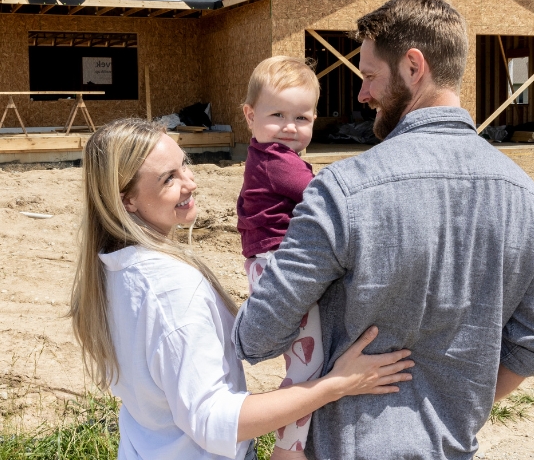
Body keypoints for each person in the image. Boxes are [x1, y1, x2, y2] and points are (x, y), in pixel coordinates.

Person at [234, 0, 534, 460]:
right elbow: (532, 348)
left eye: (368, 76)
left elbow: (257, 338)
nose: (362, 94)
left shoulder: (342, 191)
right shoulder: (529, 199)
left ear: (413, 66)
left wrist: (327, 385)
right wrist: (448, 411)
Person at [69, 118, 414, 460]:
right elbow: (213, 420)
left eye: (184, 165)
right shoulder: (170, 289)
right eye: (168, 179)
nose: (190, 182)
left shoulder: (111, 269)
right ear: (126, 200)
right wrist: (336, 384)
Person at [237, 56, 322, 459]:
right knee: (308, 362)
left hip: (267, 261)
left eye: (302, 118)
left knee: (306, 355)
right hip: (277, 266)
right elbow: (325, 197)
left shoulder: (272, 156)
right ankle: (288, 449)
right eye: (277, 115)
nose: (290, 127)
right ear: (250, 116)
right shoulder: (276, 162)